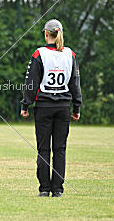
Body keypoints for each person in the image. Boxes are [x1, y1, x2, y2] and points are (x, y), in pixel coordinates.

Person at [20, 19, 82, 197]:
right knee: (60, 149)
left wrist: (26, 104)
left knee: (43, 149)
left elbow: (31, 83)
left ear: (46, 34)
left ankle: (44, 188)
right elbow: (75, 84)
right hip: (63, 107)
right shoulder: (70, 54)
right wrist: (76, 107)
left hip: (43, 107)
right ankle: (58, 189)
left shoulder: (39, 54)